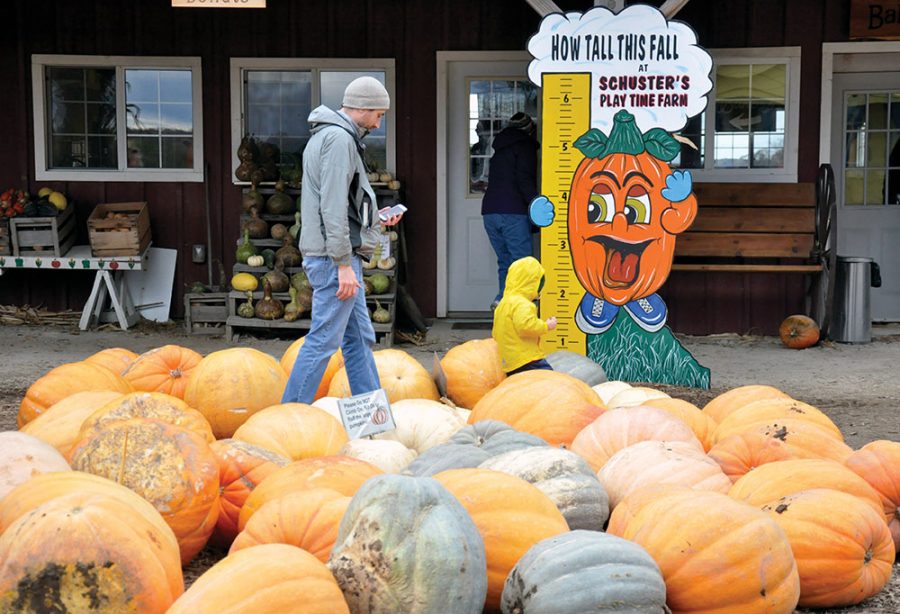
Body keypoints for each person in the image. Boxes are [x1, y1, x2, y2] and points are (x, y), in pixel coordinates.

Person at [282, 76, 403, 404]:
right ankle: (287, 416)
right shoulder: (338, 140)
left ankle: (373, 416)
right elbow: (331, 206)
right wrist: (342, 265)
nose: (379, 123)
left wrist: (376, 220)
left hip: (339, 253)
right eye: (378, 115)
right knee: (323, 342)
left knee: (358, 339)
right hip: (335, 257)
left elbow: (340, 204)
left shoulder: (333, 136)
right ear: (362, 108)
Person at [481, 112, 539, 310]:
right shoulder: (525, 147)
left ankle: (502, 300)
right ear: (529, 130)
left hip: (490, 212)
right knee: (522, 263)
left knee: (505, 260)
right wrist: (537, 211)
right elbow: (525, 181)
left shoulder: (499, 148)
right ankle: (521, 308)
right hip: (513, 211)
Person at [492, 256, 557, 375]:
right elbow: (525, 326)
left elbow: (496, 332)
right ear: (532, 283)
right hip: (527, 359)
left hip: (510, 361)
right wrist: (546, 326)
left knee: (520, 386)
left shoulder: (503, 303)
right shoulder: (523, 304)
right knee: (550, 380)